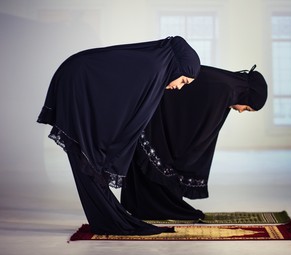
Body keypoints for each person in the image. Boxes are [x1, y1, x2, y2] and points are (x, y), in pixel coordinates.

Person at [37, 36, 200, 235]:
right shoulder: (154, 69)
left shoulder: (155, 69)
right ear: (176, 66)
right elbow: (127, 114)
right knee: (86, 157)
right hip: (78, 81)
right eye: (183, 80)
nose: (179, 87)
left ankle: (111, 216)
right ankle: (109, 220)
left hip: (80, 78)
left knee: (89, 159)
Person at [120, 65, 268, 220]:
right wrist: (189, 156)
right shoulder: (225, 90)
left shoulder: (226, 84)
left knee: (152, 162)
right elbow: (201, 130)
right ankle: (155, 209)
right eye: (247, 108)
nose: (241, 111)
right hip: (156, 120)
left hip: (150, 110)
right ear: (248, 96)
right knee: (162, 162)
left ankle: (141, 207)